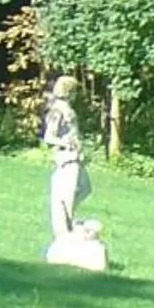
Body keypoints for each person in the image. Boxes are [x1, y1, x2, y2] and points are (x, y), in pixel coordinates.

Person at [43, 75, 90, 240]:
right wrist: (65, 142)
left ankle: (67, 220)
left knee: (85, 188)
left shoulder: (67, 108)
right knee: (67, 194)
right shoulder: (57, 109)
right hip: (66, 157)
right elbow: (49, 137)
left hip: (75, 156)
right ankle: (64, 230)